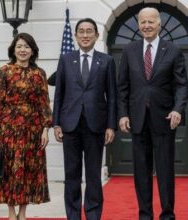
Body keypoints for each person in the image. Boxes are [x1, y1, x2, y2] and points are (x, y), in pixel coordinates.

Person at [117, 7, 188, 220]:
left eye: (151, 22)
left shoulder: (173, 51)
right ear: (139, 25)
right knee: (141, 172)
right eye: (143, 22)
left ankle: (167, 215)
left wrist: (177, 109)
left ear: (159, 24)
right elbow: (122, 86)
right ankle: (144, 215)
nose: (146, 25)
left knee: (165, 171)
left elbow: (182, 86)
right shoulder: (129, 50)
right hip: (137, 120)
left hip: (164, 119)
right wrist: (122, 114)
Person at [52, 18, 117, 220]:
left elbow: (112, 96)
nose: (85, 35)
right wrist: (56, 123)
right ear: (76, 35)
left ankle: (93, 215)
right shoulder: (65, 59)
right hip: (70, 125)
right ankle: (73, 216)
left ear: (97, 36)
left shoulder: (106, 61)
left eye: (90, 31)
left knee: (93, 176)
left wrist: (111, 126)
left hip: (95, 125)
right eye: (81, 31)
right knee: (71, 176)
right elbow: (59, 94)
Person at [0, 33, 52, 220]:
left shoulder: (39, 74)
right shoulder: (4, 71)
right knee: (10, 172)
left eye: (27, 47)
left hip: (33, 131)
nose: (23, 50)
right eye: (19, 46)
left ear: (33, 51)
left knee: (28, 172)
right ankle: (10, 213)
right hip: (9, 129)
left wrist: (46, 129)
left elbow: (44, 104)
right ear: (13, 50)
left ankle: (22, 214)